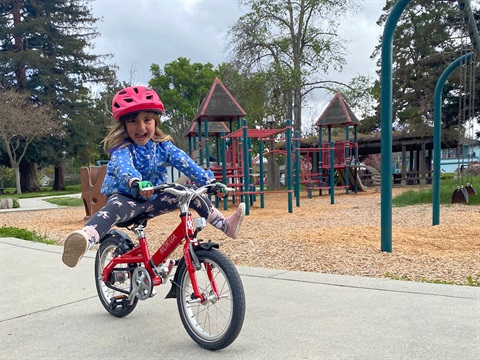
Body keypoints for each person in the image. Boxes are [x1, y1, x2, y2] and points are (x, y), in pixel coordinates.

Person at [62, 85, 245, 268]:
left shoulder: (163, 146)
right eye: (133, 121)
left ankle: (225, 225)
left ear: (155, 122)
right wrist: (135, 181)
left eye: (147, 120)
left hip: (154, 197)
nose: (141, 127)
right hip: (127, 199)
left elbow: (186, 163)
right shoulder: (122, 148)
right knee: (113, 209)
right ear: (125, 125)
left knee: (190, 193)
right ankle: (85, 238)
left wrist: (210, 182)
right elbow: (123, 166)